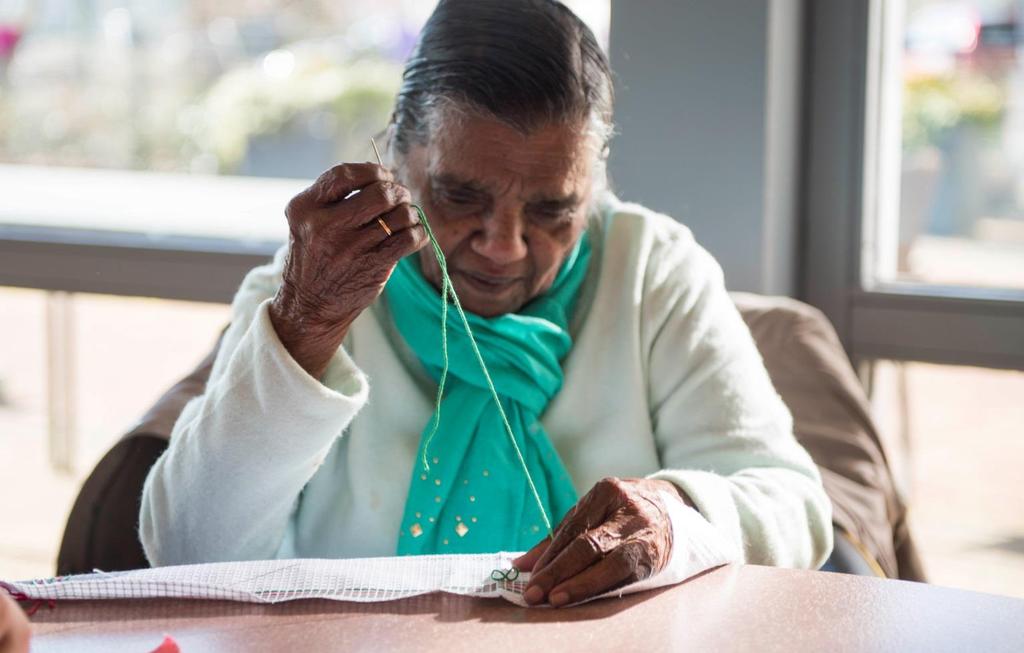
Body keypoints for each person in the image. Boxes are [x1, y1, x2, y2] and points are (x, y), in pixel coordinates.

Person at [140, 0, 832, 606]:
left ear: (594, 185)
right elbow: (186, 550)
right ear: (398, 158)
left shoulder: (652, 271)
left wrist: (675, 514)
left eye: (553, 209)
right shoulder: (315, 288)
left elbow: (792, 502)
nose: (503, 247)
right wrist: (303, 331)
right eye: (461, 197)